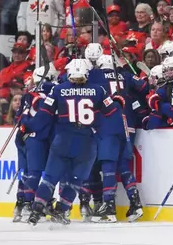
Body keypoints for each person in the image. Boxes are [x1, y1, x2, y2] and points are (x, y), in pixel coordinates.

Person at [23, 59, 119, 226]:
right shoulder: (98, 90)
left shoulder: (58, 89)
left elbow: (43, 117)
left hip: (63, 138)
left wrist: (27, 126)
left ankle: (37, 209)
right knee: (76, 181)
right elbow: (113, 114)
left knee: (50, 178)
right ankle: (62, 209)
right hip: (87, 142)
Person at [87, 54, 144, 223]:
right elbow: (143, 86)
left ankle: (109, 206)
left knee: (108, 165)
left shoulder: (96, 75)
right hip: (126, 124)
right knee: (122, 165)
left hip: (107, 125)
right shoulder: (124, 75)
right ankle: (136, 203)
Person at [17, 64, 60, 221]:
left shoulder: (30, 95)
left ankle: (29, 202)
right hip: (39, 137)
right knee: (36, 172)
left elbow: (19, 117)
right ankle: (29, 204)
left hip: (32, 137)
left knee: (32, 172)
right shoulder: (44, 95)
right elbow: (44, 120)